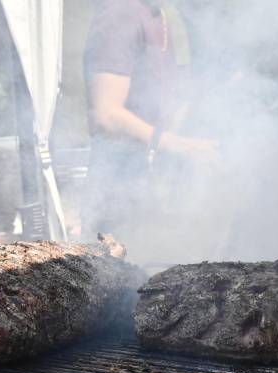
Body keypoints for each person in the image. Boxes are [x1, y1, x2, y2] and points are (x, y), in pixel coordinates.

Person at [80, 0, 219, 239]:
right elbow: (105, 114)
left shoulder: (165, 14)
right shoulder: (119, 14)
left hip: (156, 191)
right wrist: (180, 146)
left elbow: (173, 97)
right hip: (120, 194)